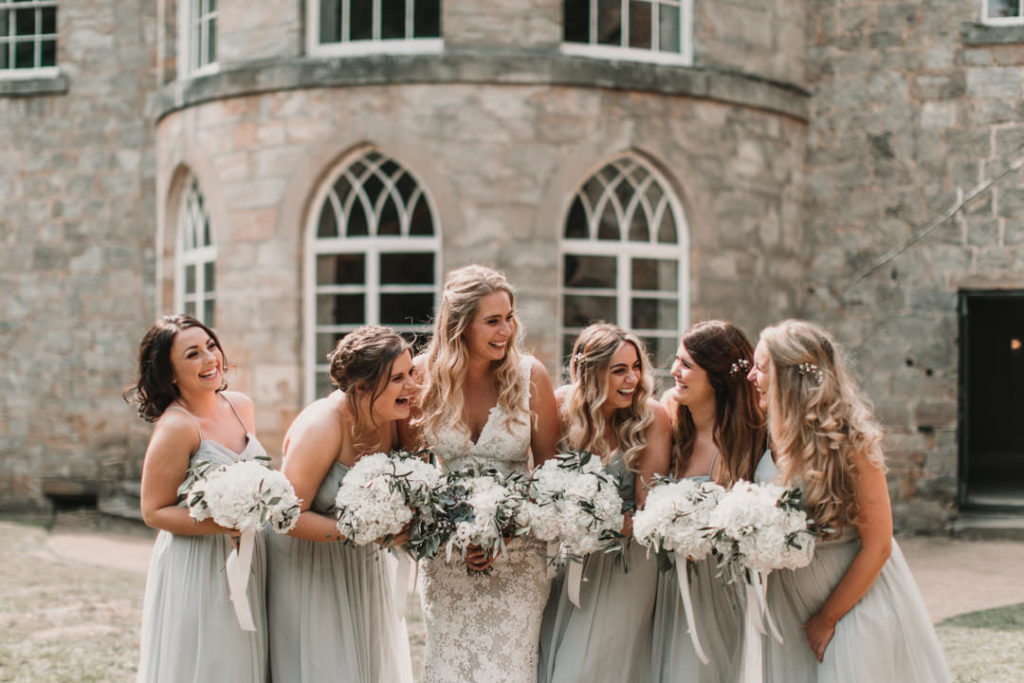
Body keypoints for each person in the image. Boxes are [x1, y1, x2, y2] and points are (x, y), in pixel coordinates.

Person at [748, 319, 951, 682]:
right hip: (789, 604)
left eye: (760, 368)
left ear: (788, 378)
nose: (750, 377)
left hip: (855, 600)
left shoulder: (851, 443)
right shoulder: (766, 434)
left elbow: (878, 546)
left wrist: (828, 618)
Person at [410, 264, 561, 683]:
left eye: (509, 317)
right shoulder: (421, 377)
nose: (506, 330)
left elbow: (550, 476)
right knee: (449, 666)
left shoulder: (531, 376)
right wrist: (445, 528)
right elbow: (410, 471)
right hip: (448, 559)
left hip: (521, 559)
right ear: (460, 326)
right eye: (492, 321)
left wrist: (508, 530)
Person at [265, 325, 415, 683]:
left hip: (364, 564)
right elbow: (285, 517)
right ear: (361, 388)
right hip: (308, 564)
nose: (411, 385)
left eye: (410, 373)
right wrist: (359, 531)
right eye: (398, 378)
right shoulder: (323, 425)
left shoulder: (393, 419)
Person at [128, 314, 268, 682]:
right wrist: (224, 521)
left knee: (241, 663)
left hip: (249, 557)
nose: (210, 359)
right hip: (197, 563)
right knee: (207, 663)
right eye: (192, 354)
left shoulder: (242, 406)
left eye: (210, 346)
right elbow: (153, 511)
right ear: (170, 373)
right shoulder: (176, 426)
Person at [537, 323, 671, 682]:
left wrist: (597, 519)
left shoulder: (651, 417)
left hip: (629, 562)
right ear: (591, 373)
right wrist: (572, 518)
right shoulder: (562, 407)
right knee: (555, 656)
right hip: (571, 559)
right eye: (619, 370)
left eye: (637, 367)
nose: (633, 379)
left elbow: (647, 508)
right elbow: (544, 482)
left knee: (588, 669)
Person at [649, 319, 766, 683]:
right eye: (677, 359)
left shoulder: (753, 436)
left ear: (717, 378)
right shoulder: (667, 418)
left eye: (687, 365)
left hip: (724, 584)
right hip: (668, 583)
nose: (674, 371)